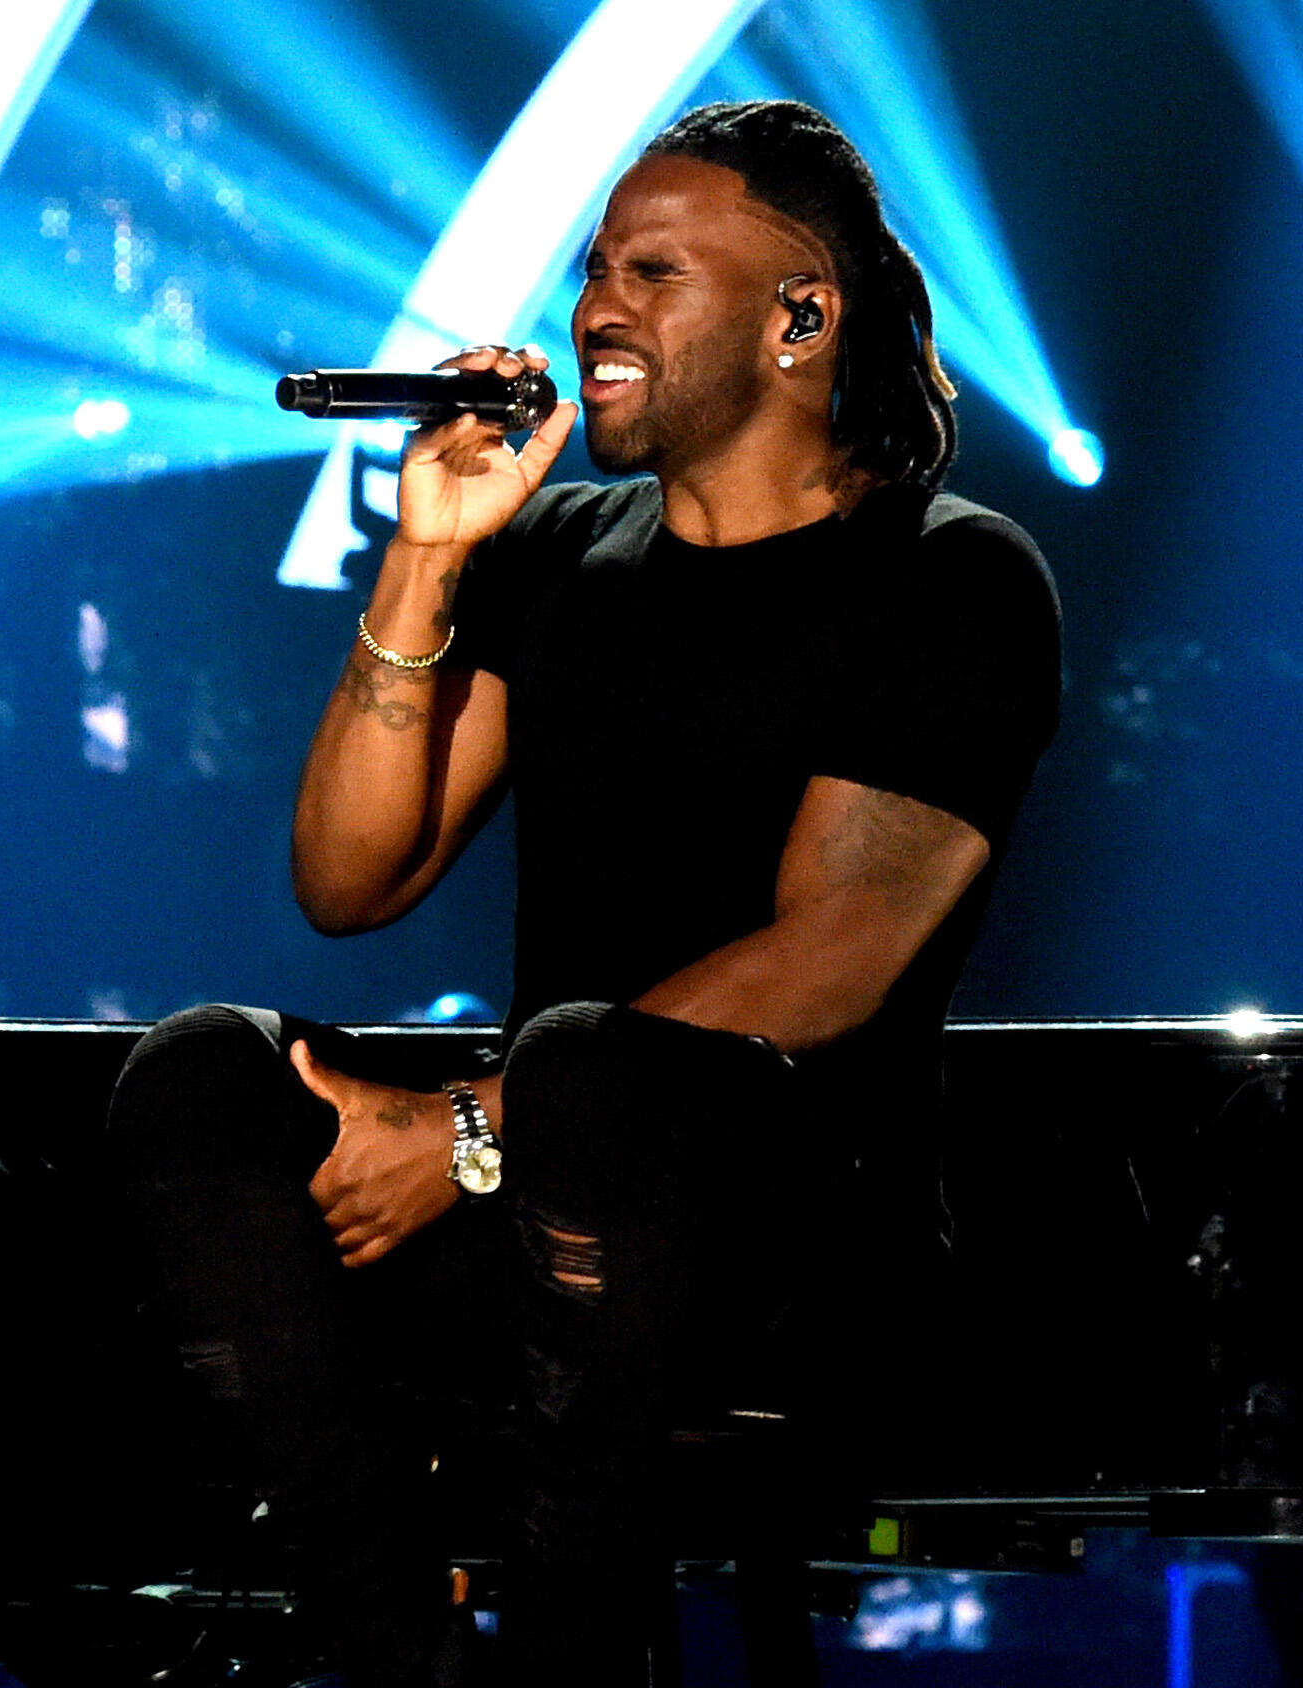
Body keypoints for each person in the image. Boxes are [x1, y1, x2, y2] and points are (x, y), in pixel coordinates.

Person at [111, 100, 1061, 1685]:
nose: (595, 310)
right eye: (594, 269)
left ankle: (572, 1658)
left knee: (591, 1070)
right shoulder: (554, 555)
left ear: (801, 318)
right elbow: (350, 877)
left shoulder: (949, 575)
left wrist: (472, 1134)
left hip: (787, 1245)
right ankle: (390, 1644)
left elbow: (830, 957)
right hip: (540, 1188)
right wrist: (429, 557)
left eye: (653, 272)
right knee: (206, 1078)